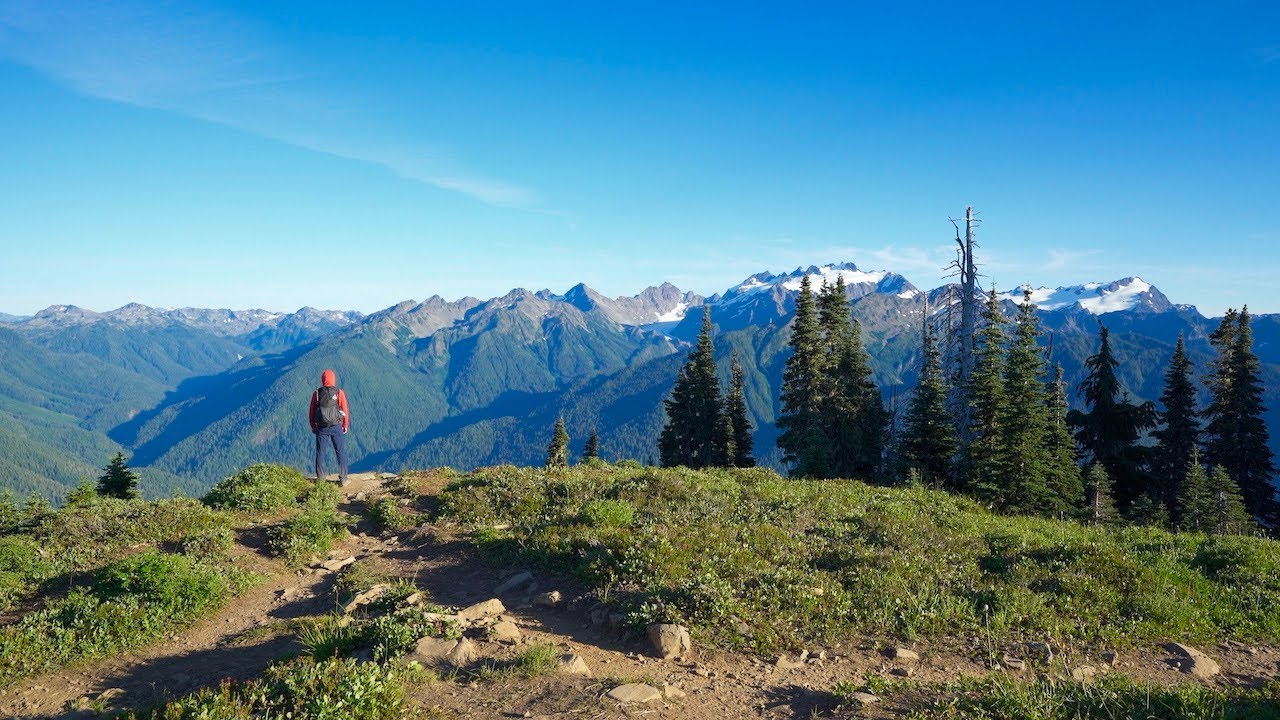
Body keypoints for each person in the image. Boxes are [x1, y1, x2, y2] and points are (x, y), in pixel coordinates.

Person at [309, 368, 350, 485]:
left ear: (323, 379)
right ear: (333, 379)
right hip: (336, 426)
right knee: (340, 452)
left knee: (320, 452)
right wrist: (345, 425)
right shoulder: (339, 392)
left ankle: (321, 479)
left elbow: (312, 410)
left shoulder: (317, 393)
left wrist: (313, 425)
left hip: (321, 427)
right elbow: (344, 409)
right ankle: (343, 478)